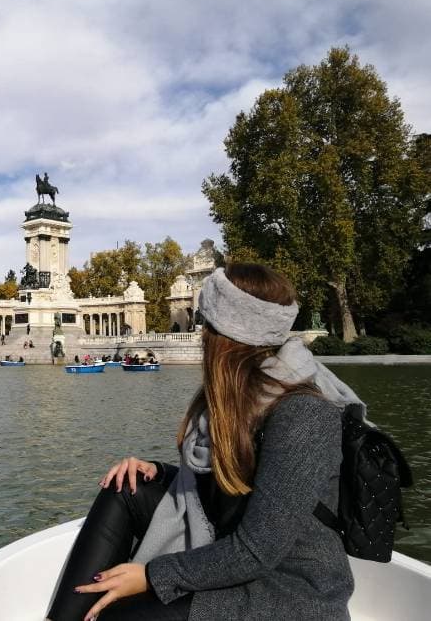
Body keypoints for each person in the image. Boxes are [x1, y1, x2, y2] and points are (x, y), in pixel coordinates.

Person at [47, 263, 354, 621]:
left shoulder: (303, 414)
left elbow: (258, 551)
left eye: (205, 322)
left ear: (225, 333)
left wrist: (150, 575)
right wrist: (159, 472)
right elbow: (235, 486)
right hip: (228, 543)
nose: (200, 332)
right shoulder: (238, 393)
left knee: (120, 616)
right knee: (125, 488)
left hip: (285, 588)